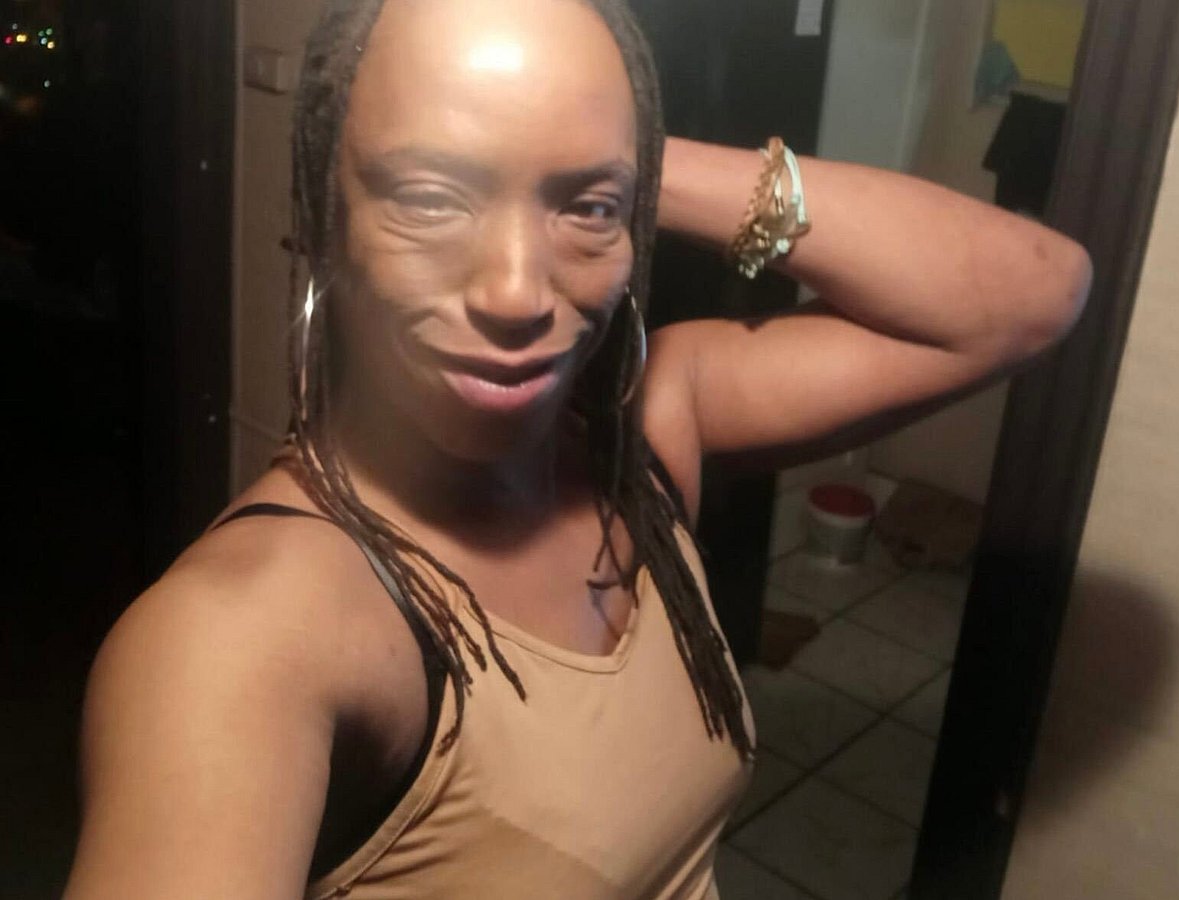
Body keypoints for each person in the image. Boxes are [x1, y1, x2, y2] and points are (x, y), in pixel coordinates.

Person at [63, 0, 1092, 897]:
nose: (517, 291)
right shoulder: (239, 639)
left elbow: (1033, 293)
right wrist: (568, 167)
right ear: (324, 217)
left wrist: (624, 159)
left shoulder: (650, 430)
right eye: (430, 196)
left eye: (589, 208)